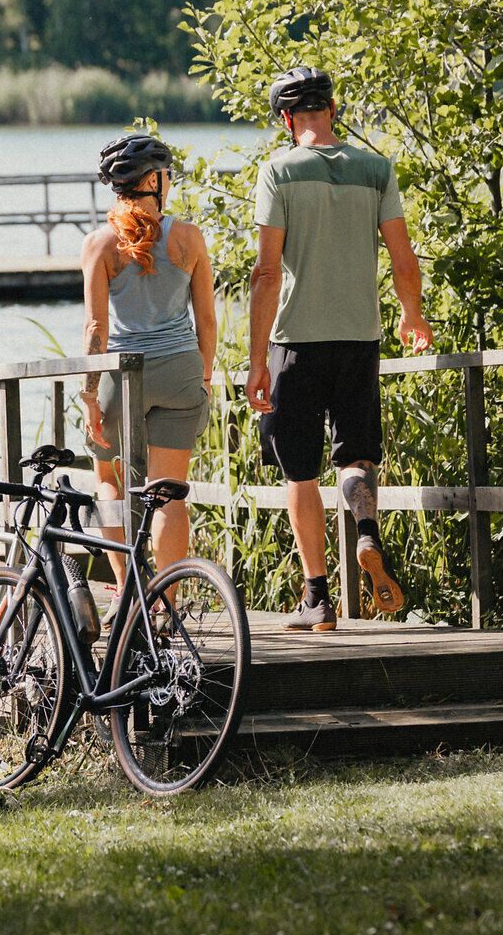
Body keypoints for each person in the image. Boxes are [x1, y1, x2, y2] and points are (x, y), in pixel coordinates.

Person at [245, 66, 433, 631]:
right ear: (332, 109)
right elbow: (403, 257)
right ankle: (367, 532)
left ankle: (318, 599)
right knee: (355, 457)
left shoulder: (277, 170)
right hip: (360, 339)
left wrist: (257, 360)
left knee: (299, 474)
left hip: (296, 342)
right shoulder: (376, 170)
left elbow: (266, 273)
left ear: (286, 119)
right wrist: (412, 315)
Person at [79, 133, 218, 591]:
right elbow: (208, 323)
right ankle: (168, 603)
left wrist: (89, 397)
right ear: (155, 180)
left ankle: (125, 587)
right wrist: (202, 377)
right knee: (169, 492)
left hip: (124, 375)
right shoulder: (189, 237)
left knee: (109, 481)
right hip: (180, 370)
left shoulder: (99, 244)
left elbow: (95, 331)